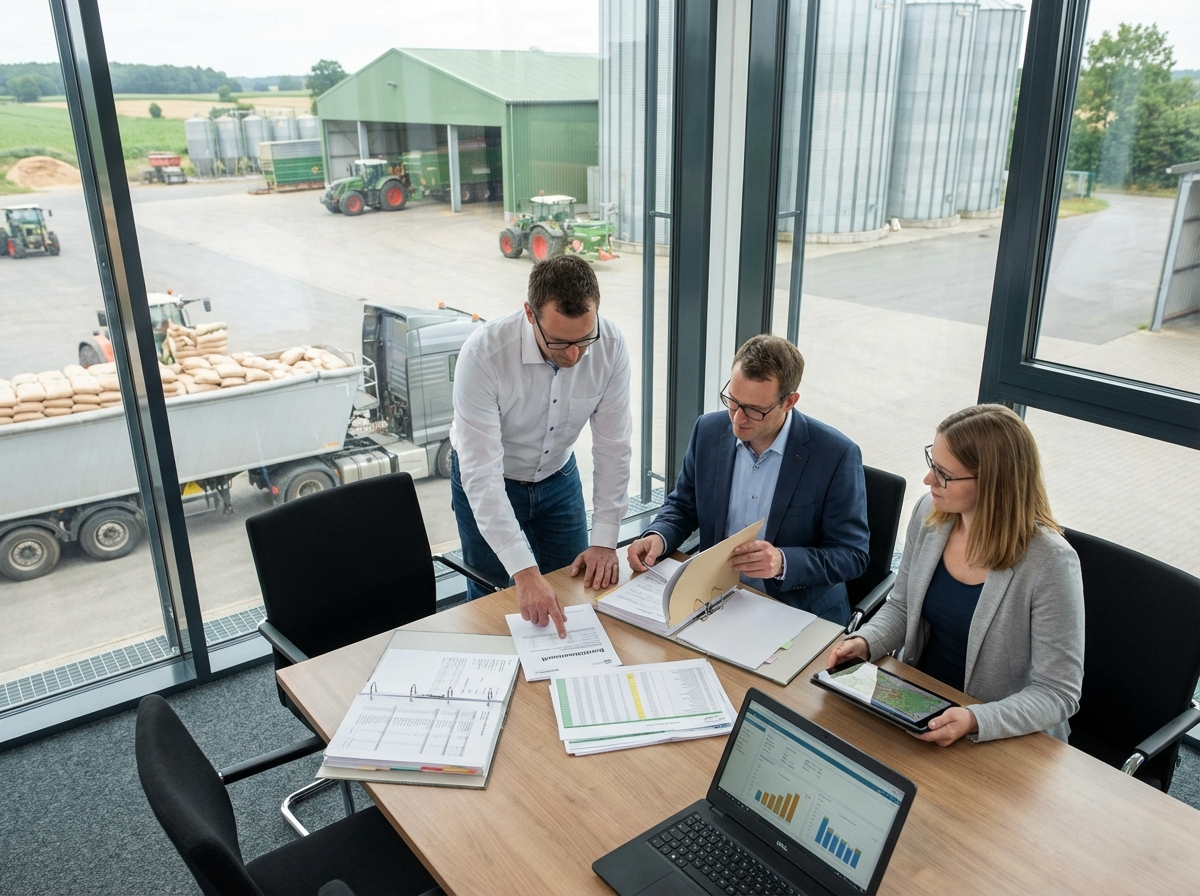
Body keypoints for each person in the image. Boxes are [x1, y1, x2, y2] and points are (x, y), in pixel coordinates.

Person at [827, 404, 1085, 746]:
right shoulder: (930, 514)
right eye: (932, 463)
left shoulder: (1050, 562)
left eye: (944, 474)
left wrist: (975, 719)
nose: (928, 480)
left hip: (1000, 730)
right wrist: (866, 641)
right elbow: (903, 607)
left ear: (993, 484)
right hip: (921, 703)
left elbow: (1057, 692)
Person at [627, 335, 869, 625]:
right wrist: (659, 536)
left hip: (797, 611)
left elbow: (852, 554)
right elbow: (683, 505)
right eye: (733, 400)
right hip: (715, 600)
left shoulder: (835, 455)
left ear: (789, 401)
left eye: (754, 409)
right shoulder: (708, 430)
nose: (737, 418)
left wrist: (782, 562)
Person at [450, 255, 632, 638]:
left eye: (584, 340)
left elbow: (613, 447)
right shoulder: (483, 356)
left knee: (572, 595)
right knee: (495, 607)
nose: (573, 355)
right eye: (560, 342)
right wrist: (524, 572)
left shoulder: (611, 346)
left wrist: (604, 540)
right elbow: (481, 475)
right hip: (492, 481)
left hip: (558, 479)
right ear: (530, 315)